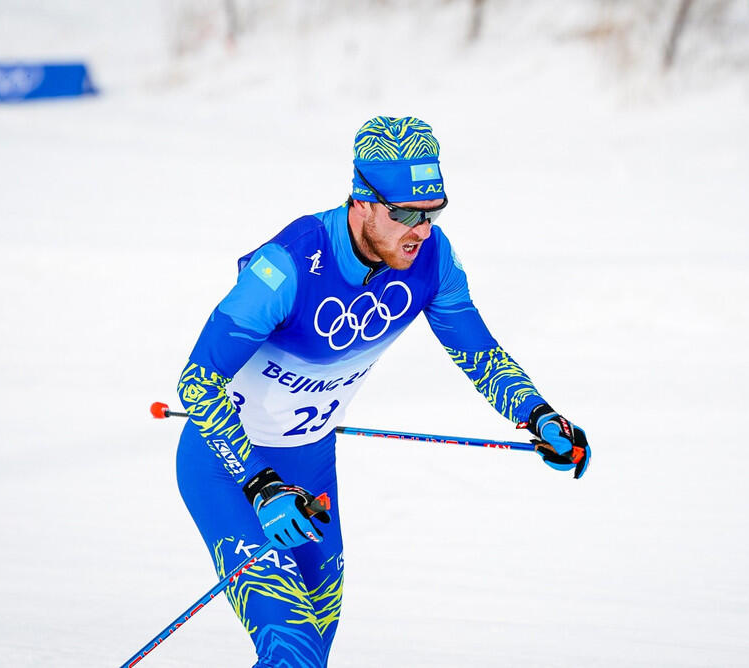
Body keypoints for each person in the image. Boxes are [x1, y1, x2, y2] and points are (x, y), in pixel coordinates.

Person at [175, 115, 590, 668]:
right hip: (230, 466)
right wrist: (260, 484)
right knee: (292, 650)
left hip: (310, 465)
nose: (420, 229)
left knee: (312, 652)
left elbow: (480, 354)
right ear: (362, 202)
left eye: (432, 211)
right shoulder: (288, 266)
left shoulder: (432, 262)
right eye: (403, 213)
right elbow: (198, 381)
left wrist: (540, 416)